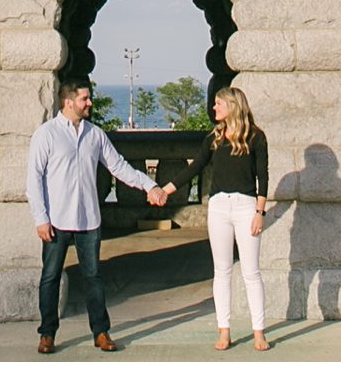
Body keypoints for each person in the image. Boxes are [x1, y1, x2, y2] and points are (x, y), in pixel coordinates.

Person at [26, 79, 172, 353]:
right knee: (50, 277)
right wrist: (40, 218)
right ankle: (47, 333)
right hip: (56, 220)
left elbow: (119, 167)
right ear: (68, 102)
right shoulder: (46, 134)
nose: (90, 103)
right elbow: (33, 180)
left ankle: (101, 332)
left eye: (89, 98)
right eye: (85, 98)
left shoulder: (95, 135)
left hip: (88, 219)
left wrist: (149, 186)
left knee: (93, 277)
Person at [155, 86, 272, 352]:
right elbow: (194, 167)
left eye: (219, 104)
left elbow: (263, 177)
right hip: (219, 207)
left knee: (251, 272)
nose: (214, 108)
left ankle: (259, 331)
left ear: (232, 105)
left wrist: (259, 212)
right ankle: (224, 330)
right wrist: (165, 190)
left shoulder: (256, 137)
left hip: (246, 207)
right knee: (221, 271)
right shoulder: (214, 137)